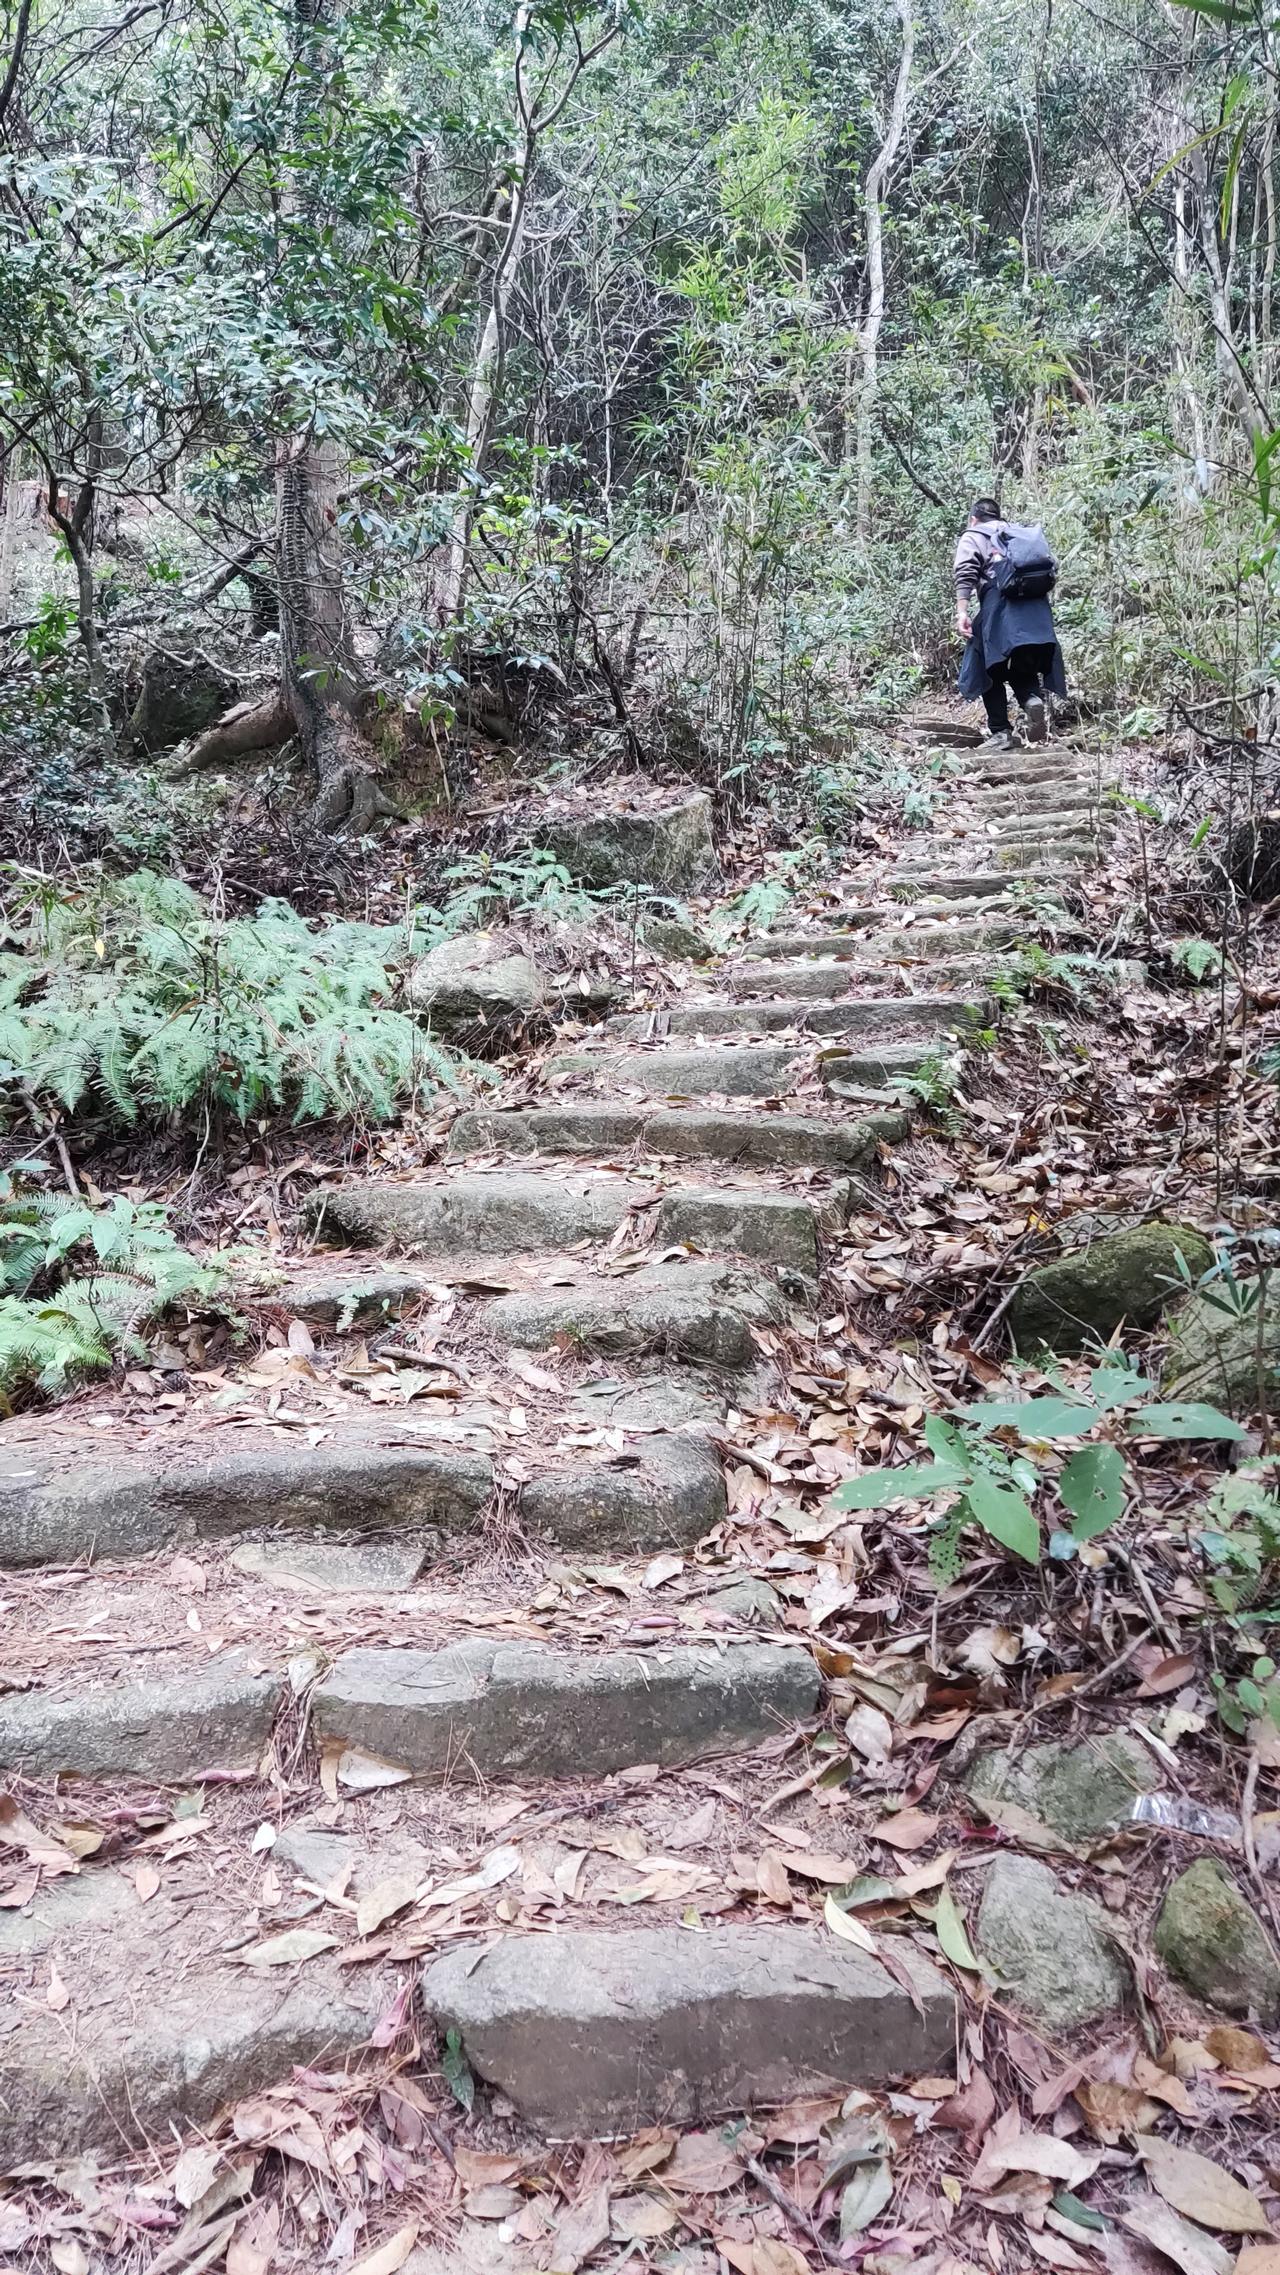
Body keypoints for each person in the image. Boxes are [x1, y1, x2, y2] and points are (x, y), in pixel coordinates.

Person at [954, 496, 1066, 752]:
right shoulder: (1018, 535)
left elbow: (966, 571)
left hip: (999, 605)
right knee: (1021, 661)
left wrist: (962, 612)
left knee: (987, 667)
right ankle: (1031, 698)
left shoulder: (974, 535)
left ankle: (1000, 732)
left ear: (974, 519)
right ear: (998, 516)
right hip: (1036, 610)